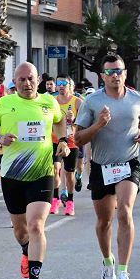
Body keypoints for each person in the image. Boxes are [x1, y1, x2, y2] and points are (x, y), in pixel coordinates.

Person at [0, 62, 68, 279]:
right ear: (14, 82)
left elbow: (60, 120)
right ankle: (25, 251)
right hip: (12, 175)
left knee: (36, 225)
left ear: (38, 79)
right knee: (21, 231)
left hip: (42, 172)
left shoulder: (49, 102)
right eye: (21, 79)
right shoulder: (3, 104)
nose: (27, 83)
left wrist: (62, 139)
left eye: (31, 78)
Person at [73, 55, 140, 279]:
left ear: (125, 73)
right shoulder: (92, 102)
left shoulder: (137, 99)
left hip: (128, 163)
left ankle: (124, 272)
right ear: (102, 77)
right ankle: (108, 262)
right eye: (110, 72)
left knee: (125, 212)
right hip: (101, 166)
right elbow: (78, 138)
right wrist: (98, 125)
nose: (115, 75)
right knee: (104, 221)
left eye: (119, 71)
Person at [53, 74, 82, 215]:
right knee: (55, 169)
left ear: (71, 86)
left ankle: (70, 201)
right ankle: (55, 199)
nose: (62, 86)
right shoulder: (52, 101)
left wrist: (74, 118)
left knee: (70, 174)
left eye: (65, 83)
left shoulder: (78, 102)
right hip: (55, 140)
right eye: (59, 83)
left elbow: (85, 122)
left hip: (71, 142)